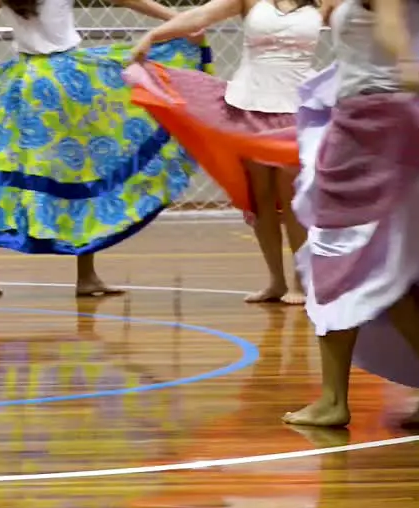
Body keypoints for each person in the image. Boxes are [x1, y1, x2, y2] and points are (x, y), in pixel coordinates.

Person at [282, 0, 419, 427]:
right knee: (373, 260)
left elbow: (388, 22)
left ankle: (337, 399)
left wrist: (405, 60)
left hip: (369, 122)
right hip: (382, 120)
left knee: (335, 254)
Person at [0, 0, 210, 297]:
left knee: (9, 174)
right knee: (87, 171)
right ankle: (85, 275)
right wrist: (177, 21)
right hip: (71, 80)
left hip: (27, 83)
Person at [127, 0, 320, 305]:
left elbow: (360, 24)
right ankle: (276, 281)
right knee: (261, 198)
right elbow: (200, 15)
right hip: (248, 103)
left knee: (294, 196)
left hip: (299, 104)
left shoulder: (327, 2)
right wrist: (152, 36)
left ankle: (301, 282)